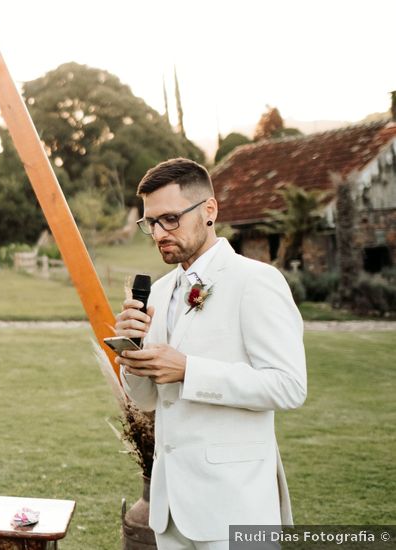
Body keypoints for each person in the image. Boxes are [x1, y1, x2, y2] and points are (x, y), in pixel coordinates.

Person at [114, 158, 307, 549]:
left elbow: (289, 386)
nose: (158, 233)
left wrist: (188, 370)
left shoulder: (256, 281)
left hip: (235, 507)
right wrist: (131, 358)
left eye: (169, 218)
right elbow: (148, 399)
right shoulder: (163, 289)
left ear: (209, 211)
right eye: (150, 222)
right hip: (170, 512)